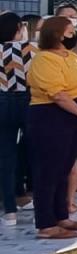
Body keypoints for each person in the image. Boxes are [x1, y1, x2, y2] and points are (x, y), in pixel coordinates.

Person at [27, 16, 77, 240]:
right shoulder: (44, 59)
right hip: (52, 117)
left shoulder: (71, 56)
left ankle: (62, 216)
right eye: (70, 32)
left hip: (76, 118)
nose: (74, 36)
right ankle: (46, 224)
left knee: (65, 166)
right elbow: (58, 95)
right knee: (49, 170)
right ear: (57, 35)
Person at [0, 12, 33, 225]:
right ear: (18, 28)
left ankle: (10, 209)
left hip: (2, 101)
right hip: (28, 101)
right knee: (31, 151)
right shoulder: (30, 50)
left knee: (6, 156)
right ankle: (26, 194)